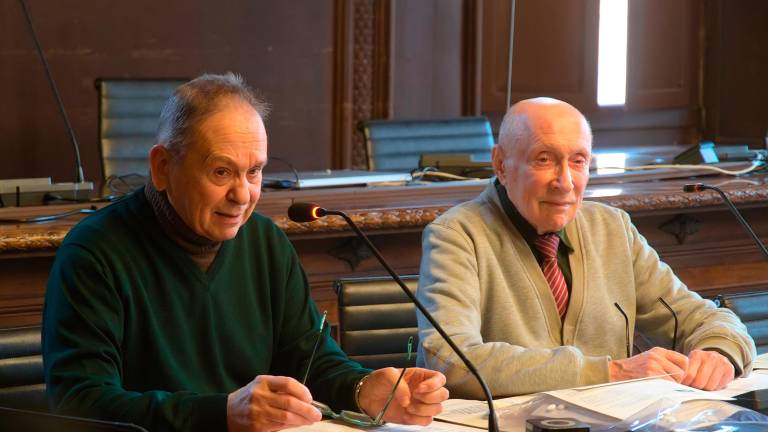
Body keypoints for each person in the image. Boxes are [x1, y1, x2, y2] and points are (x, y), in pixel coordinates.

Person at [43, 73, 448, 432]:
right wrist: (221, 415)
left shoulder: (265, 242)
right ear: (163, 166)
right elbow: (81, 404)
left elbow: (311, 360)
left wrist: (364, 389)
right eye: (221, 172)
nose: (242, 195)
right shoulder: (93, 254)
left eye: (254, 171)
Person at [415, 97, 756, 399]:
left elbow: (701, 317)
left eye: (578, 161)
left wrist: (719, 352)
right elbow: (451, 359)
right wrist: (610, 373)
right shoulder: (455, 236)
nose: (565, 182)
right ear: (502, 165)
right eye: (544, 160)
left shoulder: (613, 228)